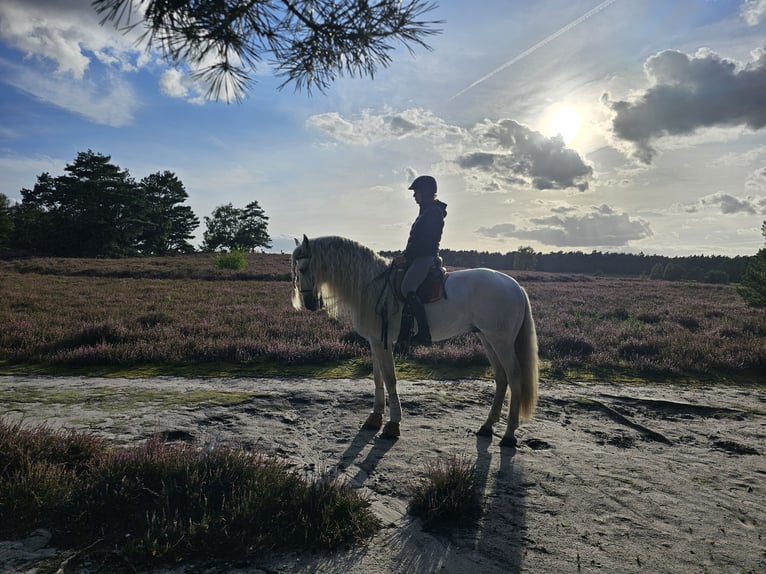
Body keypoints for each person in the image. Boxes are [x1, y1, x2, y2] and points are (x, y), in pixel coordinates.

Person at [394, 175, 448, 346]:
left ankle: (424, 333)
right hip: (418, 256)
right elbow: (414, 241)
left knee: (407, 288)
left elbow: (426, 242)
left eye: (416, 192)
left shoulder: (433, 213)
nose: (414, 195)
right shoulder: (426, 211)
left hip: (425, 257)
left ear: (425, 192)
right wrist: (404, 255)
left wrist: (407, 257)